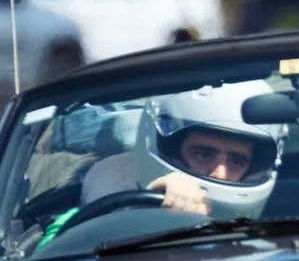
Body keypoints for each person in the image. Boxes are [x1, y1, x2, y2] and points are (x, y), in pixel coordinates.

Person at [79, 82, 287, 218]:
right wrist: (144, 213)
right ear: (172, 152)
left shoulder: (290, 217)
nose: (220, 173)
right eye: (204, 154)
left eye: (236, 162)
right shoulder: (105, 192)